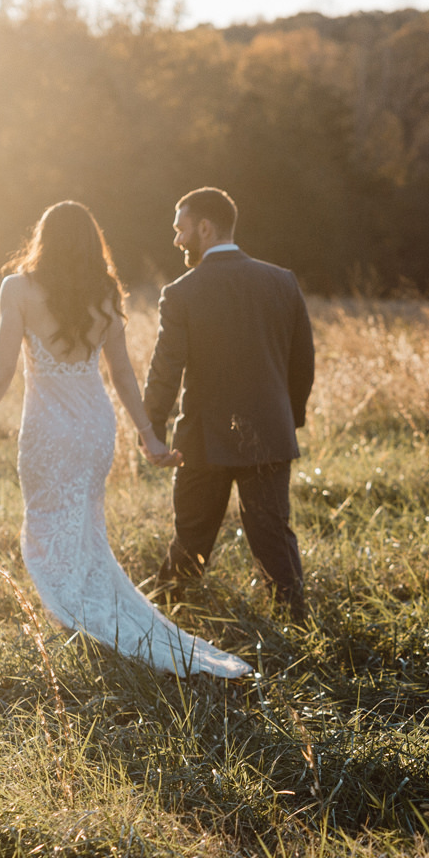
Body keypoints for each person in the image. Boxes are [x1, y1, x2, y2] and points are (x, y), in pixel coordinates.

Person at [0, 200, 251, 678]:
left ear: (42, 240)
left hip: (49, 430)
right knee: (85, 525)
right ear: (93, 243)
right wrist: (148, 436)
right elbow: (123, 375)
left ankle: (70, 616)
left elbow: (4, 368)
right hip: (94, 426)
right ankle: (76, 615)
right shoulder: (107, 294)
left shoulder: (19, 289)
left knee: (49, 523)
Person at [143, 187, 316, 622]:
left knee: (192, 539)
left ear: (205, 227)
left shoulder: (181, 292)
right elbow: (303, 364)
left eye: (181, 228)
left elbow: (167, 369)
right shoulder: (282, 281)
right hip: (269, 435)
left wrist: (153, 431)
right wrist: (284, 421)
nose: (177, 239)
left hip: (202, 440)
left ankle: (164, 624)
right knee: (272, 537)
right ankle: (296, 625)